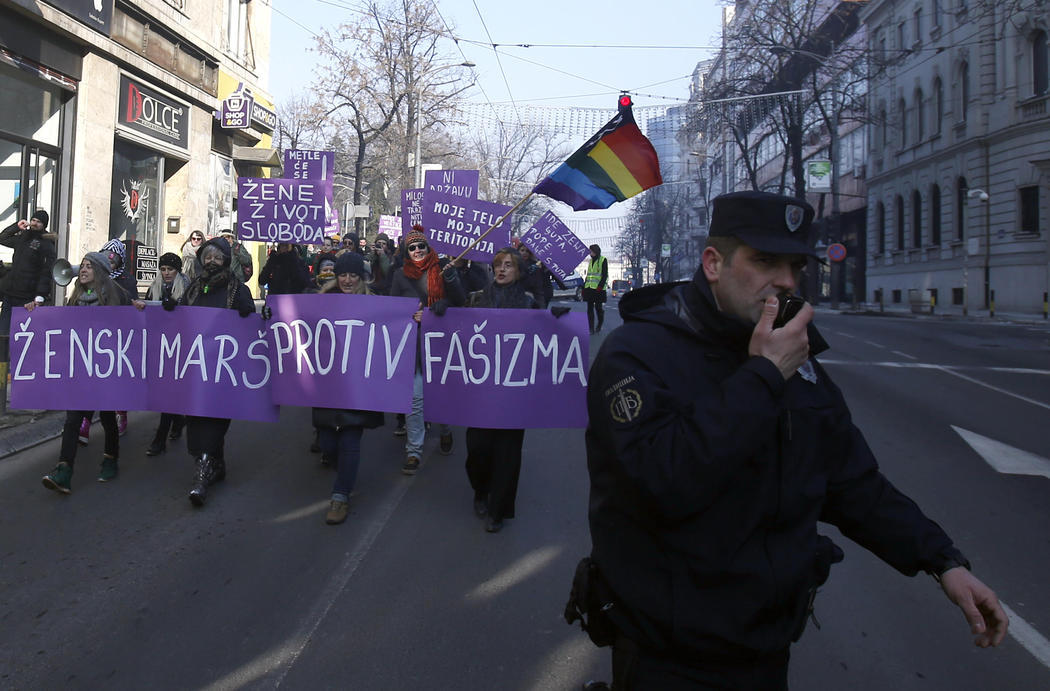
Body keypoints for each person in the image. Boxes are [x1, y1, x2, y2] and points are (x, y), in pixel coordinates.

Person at [576, 191, 1008, 689]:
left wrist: (941, 560)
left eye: (794, 266)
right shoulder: (639, 353)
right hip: (667, 653)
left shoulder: (792, 360)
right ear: (713, 263)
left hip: (767, 646)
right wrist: (763, 376)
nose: (783, 281)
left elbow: (851, 481)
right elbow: (662, 480)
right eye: (763, 261)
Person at [35, 252, 131, 493]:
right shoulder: (76, 296)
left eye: (89, 266)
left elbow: (132, 325)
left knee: (108, 418)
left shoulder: (116, 295)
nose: (83, 270)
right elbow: (61, 326)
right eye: (83, 266)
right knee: (72, 421)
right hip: (81, 370)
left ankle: (110, 459)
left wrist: (138, 306)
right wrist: (33, 312)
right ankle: (64, 470)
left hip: (106, 370)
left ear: (98, 271)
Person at [463, 248, 542, 533]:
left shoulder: (529, 304)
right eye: (498, 264)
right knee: (478, 449)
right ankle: (481, 490)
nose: (502, 269)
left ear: (518, 272)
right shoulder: (477, 299)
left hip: (514, 392)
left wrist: (555, 321)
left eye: (508, 265)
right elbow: (458, 333)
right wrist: (440, 314)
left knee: (508, 454)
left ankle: (498, 510)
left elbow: (542, 343)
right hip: (482, 391)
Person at [175, 236, 256, 506]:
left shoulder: (236, 289)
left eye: (216, 257)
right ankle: (216, 464)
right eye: (206, 257)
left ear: (225, 260)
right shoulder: (194, 289)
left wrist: (249, 313)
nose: (211, 261)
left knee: (214, 421)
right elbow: (181, 318)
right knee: (196, 419)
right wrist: (166, 309)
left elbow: (250, 325)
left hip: (224, 372)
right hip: (196, 369)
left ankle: (203, 474)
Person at [312, 252, 385, 524]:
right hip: (328, 383)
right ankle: (339, 468)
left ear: (362, 277)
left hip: (358, 384)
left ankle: (340, 496)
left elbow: (391, 331)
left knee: (351, 441)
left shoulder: (374, 303)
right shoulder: (322, 301)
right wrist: (274, 314)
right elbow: (297, 324)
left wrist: (413, 319)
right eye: (343, 274)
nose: (347, 279)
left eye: (353, 274)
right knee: (328, 443)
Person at [388, 225, 465, 474]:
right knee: (415, 398)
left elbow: (460, 300)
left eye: (421, 245)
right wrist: (409, 314)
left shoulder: (442, 269)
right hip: (413, 345)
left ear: (428, 247)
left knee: (440, 394)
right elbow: (393, 307)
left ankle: (445, 429)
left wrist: (442, 303)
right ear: (406, 251)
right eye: (412, 247)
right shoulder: (400, 274)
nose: (418, 250)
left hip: (441, 342)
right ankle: (414, 451)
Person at [134, 252, 190, 455]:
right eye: (163, 269)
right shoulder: (153, 288)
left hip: (179, 346)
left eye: (170, 270)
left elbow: (194, 314)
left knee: (169, 392)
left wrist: (177, 307)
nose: (166, 273)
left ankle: (160, 439)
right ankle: (178, 420)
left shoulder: (187, 288)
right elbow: (147, 314)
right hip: (159, 345)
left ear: (178, 271)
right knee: (163, 391)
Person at [0, 210, 57, 362]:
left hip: (26, 298)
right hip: (10, 294)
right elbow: (2, 238)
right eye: (33, 219)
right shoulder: (23, 237)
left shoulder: (46, 245)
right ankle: (2, 367)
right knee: (3, 334)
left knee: (21, 335)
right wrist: (16, 227)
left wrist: (39, 296)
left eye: (38, 221)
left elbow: (46, 273)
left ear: (44, 225)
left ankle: (17, 367)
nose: (34, 223)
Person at [99, 238, 137, 438]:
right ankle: (85, 421)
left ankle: (121, 413)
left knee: (117, 378)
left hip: (118, 337)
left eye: (113, 260)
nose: (110, 263)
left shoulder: (127, 280)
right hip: (97, 336)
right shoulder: (94, 277)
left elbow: (129, 305)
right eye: (107, 258)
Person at [519, 244, 565, 309]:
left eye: (527, 251)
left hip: (541, 293)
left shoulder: (539, 264)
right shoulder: (515, 264)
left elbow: (554, 274)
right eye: (522, 250)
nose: (524, 253)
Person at [582, 244, 608, 334]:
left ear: (595, 251)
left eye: (591, 251)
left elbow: (604, 275)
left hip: (598, 289)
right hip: (589, 288)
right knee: (589, 308)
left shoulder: (603, 260)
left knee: (598, 308)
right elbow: (589, 275)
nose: (590, 253)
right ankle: (591, 328)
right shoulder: (590, 261)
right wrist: (584, 287)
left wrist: (600, 287)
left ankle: (599, 324)